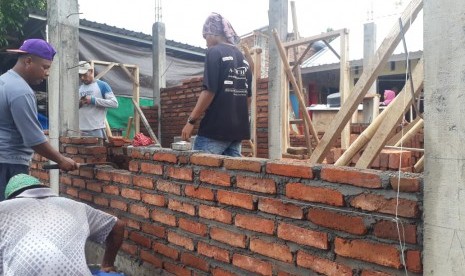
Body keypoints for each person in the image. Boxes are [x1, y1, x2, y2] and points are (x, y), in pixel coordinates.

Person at [0, 39, 78, 201]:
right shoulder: (21, 91)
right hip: (9, 166)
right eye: (45, 67)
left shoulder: (4, 81)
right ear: (28, 61)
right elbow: (33, 139)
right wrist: (62, 160)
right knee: (9, 219)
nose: (47, 73)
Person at [0, 174, 125, 275]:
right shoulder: (76, 206)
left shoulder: (3, 209)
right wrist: (107, 264)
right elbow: (117, 226)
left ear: (11, 198)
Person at [181, 12, 252, 157]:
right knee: (232, 177)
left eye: (205, 36)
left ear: (214, 33)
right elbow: (248, 97)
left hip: (214, 131)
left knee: (201, 175)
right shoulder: (243, 58)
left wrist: (191, 121)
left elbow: (209, 91)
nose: (205, 41)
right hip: (237, 132)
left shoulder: (214, 52)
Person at [78, 61, 119, 138]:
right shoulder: (79, 88)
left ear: (91, 71)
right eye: (80, 75)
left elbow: (114, 103)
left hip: (96, 129)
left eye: (84, 74)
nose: (82, 78)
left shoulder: (102, 85)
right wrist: (80, 103)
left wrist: (93, 100)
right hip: (80, 129)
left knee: (97, 149)